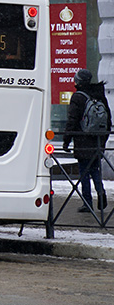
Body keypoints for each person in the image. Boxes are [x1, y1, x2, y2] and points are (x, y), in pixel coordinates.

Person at [62, 68, 111, 213]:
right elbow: (108, 120)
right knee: (95, 170)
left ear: (78, 81)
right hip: (97, 140)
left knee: (84, 172)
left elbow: (72, 120)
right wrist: (103, 139)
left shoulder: (78, 97)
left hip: (82, 141)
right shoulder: (99, 95)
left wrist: (66, 140)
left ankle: (87, 203)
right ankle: (101, 192)